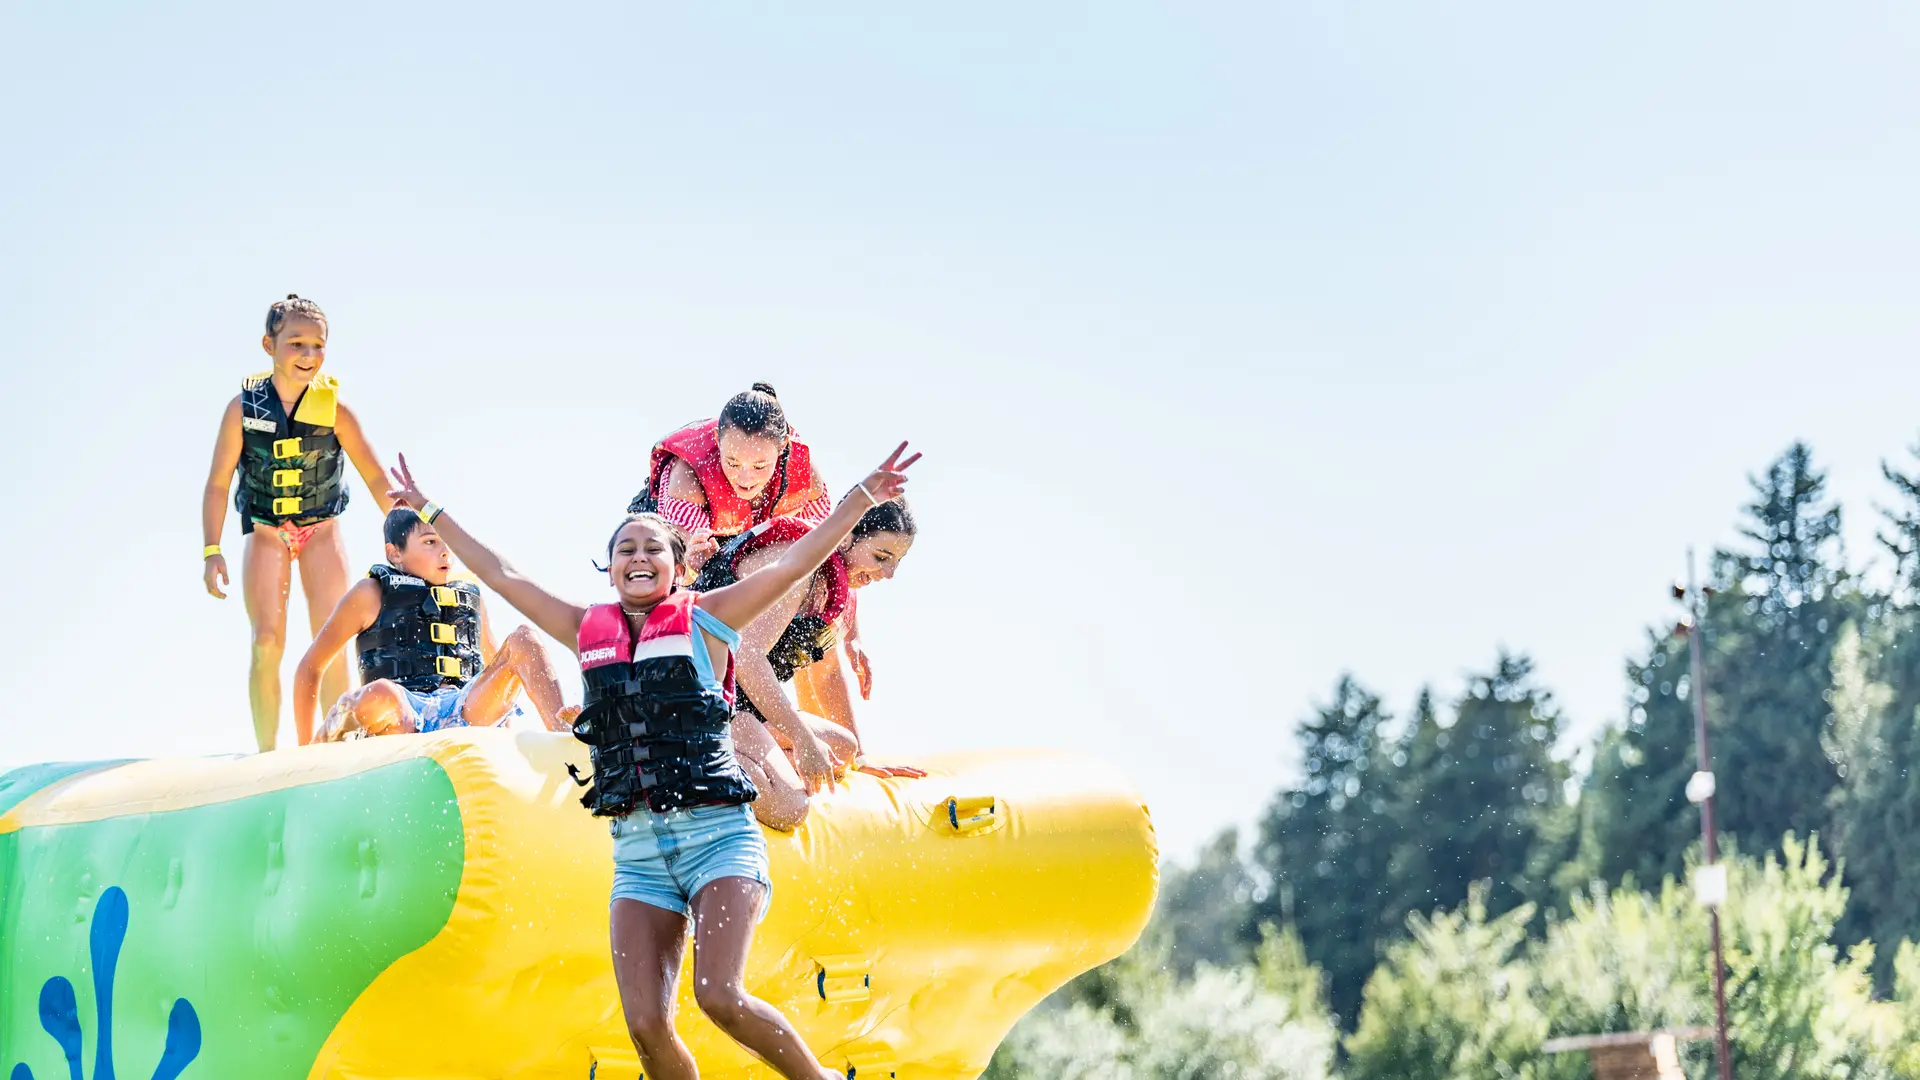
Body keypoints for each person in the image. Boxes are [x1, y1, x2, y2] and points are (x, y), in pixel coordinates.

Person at [386, 441, 919, 1080]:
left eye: (652, 548)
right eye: (625, 550)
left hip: (717, 839)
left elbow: (797, 561)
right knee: (645, 1027)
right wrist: (431, 510)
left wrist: (861, 497)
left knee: (718, 996)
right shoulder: (585, 627)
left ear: (674, 563)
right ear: (610, 569)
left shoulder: (711, 618)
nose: (638, 557)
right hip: (638, 855)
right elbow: (503, 575)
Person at [199, 295, 394, 751]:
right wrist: (212, 550)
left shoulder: (337, 410)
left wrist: (410, 531)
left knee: (332, 636)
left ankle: (338, 745)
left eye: (318, 346)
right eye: (296, 344)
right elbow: (216, 485)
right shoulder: (241, 410)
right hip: (266, 532)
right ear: (269, 344)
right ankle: (266, 754)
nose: (308, 356)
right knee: (267, 640)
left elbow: (376, 477)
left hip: (321, 529)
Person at [627, 383, 882, 702]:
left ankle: (851, 750)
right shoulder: (686, 477)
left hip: (739, 531)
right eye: (732, 462)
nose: (745, 477)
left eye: (760, 466)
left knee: (812, 593)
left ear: (783, 448)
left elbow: (827, 556)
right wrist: (691, 562)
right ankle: (634, 699)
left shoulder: (805, 478)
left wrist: (851, 636)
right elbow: (675, 578)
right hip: (675, 539)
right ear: (718, 442)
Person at [693, 502, 926, 824]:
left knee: (841, 749)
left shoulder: (828, 584)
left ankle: (736, 748)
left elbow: (825, 671)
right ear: (845, 538)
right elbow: (746, 657)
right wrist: (801, 738)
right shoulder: (794, 565)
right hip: (698, 695)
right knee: (788, 808)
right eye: (881, 558)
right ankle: (682, 755)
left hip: (739, 700)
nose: (887, 574)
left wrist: (859, 758)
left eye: (896, 564)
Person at [290, 507, 576, 744]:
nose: (445, 553)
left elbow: (494, 672)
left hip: (462, 709)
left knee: (524, 639)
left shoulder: (468, 597)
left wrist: (503, 730)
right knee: (381, 695)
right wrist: (303, 754)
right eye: (430, 542)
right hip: (400, 712)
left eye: (446, 543)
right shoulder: (371, 593)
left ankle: (565, 737)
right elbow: (310, 667)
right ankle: (331, 734)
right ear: (395, 554)